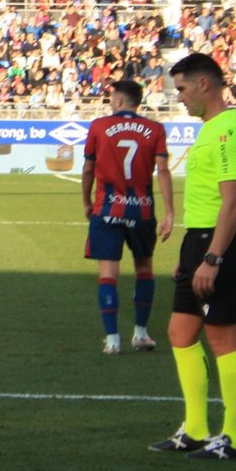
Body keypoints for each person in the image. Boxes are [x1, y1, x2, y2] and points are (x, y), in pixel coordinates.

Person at [150, 53, 236, 461]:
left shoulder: (228, 131)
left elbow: (231, 203)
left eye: (181, 88)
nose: (179, 97)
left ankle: (235, 437)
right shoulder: (210, 130)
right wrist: (191, 253)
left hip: (220, 244)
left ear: (204, 85)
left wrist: (212, 258)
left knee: (222, 336)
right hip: (200, 241)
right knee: (180, 333)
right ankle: (195, 429)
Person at [81, 79, 173, 354]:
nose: (110, 102)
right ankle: (141, 334)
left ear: (120, 101)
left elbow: (88, 169)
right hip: (142, 209)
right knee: (144, 268)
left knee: (108, 273)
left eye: (112, 98)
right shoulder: (155, 129)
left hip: (107, 208)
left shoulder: (99, 126)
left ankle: (112, 340)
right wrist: (170, 212)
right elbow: (163, 171)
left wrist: (86, 201)